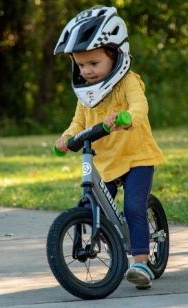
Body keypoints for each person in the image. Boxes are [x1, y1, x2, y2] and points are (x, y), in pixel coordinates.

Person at [54, 6, 165, 289]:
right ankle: (112, 244)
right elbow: (77, 123)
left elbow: (140, 106)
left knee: (133, 208)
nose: (86, 71)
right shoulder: (86, 97)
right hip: (107, 163)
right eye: (80, 65)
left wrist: (129, 119)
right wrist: (66, 138)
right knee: (94, 209)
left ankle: (140, 262)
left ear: (115, 55)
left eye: (93, 63)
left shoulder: (128, 82)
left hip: (136, 158)